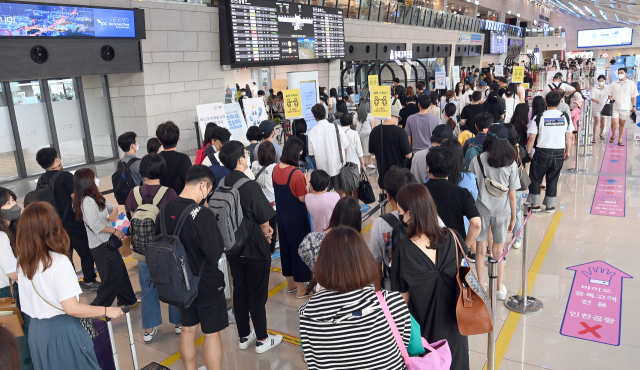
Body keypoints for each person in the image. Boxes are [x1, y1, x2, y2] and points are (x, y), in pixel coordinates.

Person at [16, 202, 124, 370]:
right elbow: (72, 308)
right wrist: (106, 310)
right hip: (62, 331)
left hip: (37, 332)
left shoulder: (23, 262)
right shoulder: (58, 262)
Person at [299, 227, 411, 370]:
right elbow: (403, 346)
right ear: (365, 259)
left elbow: (312, 360)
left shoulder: (308, 314)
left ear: (321, 264)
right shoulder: (393, 303)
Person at [390, 183, 470, 370]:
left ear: (410, 213)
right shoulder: (453, 237)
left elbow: (402, 303)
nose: (400, 216)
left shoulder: (403, 250)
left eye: (401, 212)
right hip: (457, 329)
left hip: (425, 339)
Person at [155, 165, 227, 369]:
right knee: (211, 334)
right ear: (204, 185)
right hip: (205, 283)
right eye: (209, 191)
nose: (207, 196)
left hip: (178, 284)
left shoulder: (164, 209)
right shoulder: (202, 214)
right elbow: (215, 253)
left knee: (188, 329)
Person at [218, 142, 282, 353]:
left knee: (240, 290)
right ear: (241, 160)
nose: (247, 155)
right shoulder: (249, 185)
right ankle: (262, 339)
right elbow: (264, 219)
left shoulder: (222, 183)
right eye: (245, 153)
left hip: (232, 248)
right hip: (254, 248)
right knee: (257, 294)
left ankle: (244, 336)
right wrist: (268, 232)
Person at [125, 154, 182, 342]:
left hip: (142, 251)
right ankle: (178, 323)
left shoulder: (134, 193)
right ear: (162, 170)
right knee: (173, 284)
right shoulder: (169, 193)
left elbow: (132, 216)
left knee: (147, 288)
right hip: (165, 249)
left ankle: (149, 330)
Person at [34, 148, 98, 292]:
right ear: (57, 159)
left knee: (65, 254)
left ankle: (70, 283)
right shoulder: (65, 176)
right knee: (86, 251)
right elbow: (76, 199)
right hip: (71, 222)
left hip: (53, 224)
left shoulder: (41, 180)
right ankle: (89, 280)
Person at [73, 168, 137, 308]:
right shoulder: (87, 201)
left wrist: (113, 213)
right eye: (94, 177)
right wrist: (115, 231)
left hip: (107, 242)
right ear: (87, 181)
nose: (96, 179)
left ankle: (128, 299)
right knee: (111, 277)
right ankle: (97, 307)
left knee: (119, 272)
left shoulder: (96, 197)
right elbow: (95, 225)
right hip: (101, 246)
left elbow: (112, 207)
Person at [469, 124, 519, 300]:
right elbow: (512, 195)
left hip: (480, 210)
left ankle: (482, 287)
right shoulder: (511, 162)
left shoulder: (477, 160)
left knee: (481, 250)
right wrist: (514, 217)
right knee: (498, 250)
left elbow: (472, 188)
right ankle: (498, 288)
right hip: (502, 211)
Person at [272, 137, 312, 297]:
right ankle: (301, 289)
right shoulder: (295, 174)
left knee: (286, 250)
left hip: (281, 216)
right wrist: (307, 181)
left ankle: (290, 285)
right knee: (299, 251)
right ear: (296, 153)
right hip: (296, 218)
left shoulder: (276, 168)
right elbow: (302, 198)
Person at [425, 146, 481, 248]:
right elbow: (476, 224)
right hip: (453, 248)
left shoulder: (418, 192)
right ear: (450, 170)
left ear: (428, 168)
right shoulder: (462, 193)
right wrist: (464, 247)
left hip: (425, 249)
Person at [527, 91, 573, 213]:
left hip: (542, 151)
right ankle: (550, 206)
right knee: (553, 178)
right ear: (559, 102)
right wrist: (567, 151)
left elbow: (532, 138)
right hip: (559, 152)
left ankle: (535, 204)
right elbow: (569, 136)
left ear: (546, 102)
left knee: (536, 177)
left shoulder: (539, 117)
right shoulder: (565, 117)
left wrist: (527, 153)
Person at [299, 196, 361, 272]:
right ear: (357, 221)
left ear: (335, 213)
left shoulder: (311, 240)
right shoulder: (358, 247)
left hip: (321, 281)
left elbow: (302, 252)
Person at [308, 104, 349, 196]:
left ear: (314, 117)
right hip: (338, 166)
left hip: (322, 170)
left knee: (323, 194)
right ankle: (341, 210)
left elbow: (311, 154)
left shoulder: (312, 132)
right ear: (325, 113)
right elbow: (345, 146)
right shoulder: (337, 128)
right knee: (341, 194)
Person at [369, 105, 412, 189]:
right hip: (400, 177)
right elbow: (409, 155)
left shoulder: (375, 131)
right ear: (396, 117)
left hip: (383, 176)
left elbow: (372, 152)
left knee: (384, 199)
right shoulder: (401, 132)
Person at [504, 123, 528, 249]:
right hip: (517, 185)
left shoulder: (503, 149)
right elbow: (525, 160)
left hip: (504, 185)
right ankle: (517, 238)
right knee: (517, 211)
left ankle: (500, 239)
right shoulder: (519, 148)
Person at [157, 121, 192, 195]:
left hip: (158, 202)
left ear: (159, 141)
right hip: (178, 202)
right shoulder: (183, 159)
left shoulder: (155, 159)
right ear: (178, 138)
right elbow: (190, 183)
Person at [608, 67, 638, 146]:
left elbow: (633, 96)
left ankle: (620, 139)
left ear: (626, 73)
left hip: (626, 107)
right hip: (615, 107)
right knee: (614, 123)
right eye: (619, 73)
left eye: (622, 72)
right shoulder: (613, 83)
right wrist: (610, 97)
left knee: (622, 123)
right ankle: (613, 134)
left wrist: (634, 106)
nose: (620, 74)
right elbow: (609, 93)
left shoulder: (631, 83)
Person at [339, 114, 365, 196]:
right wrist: (363, 163)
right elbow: (359, 150)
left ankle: (347, 205)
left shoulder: (337, 133)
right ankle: (356, 206)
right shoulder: (354, 133)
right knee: (355, 186)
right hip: (354, 164)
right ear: (351, 122)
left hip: (341, 164)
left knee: (345, 186)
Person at [251, 140, 277, 211]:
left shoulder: (254, 164)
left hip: (257, 205)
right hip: (272, 206)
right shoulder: (275, 167)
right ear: (273, 153)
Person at [355, 100, 374, 169]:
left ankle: (362, 163)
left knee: (360, 149)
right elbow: (372, 125)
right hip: (367, 134)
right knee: (368, 149)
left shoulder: (356, 114)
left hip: (358, 134)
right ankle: (369, 163)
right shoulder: (369, 115)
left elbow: (354, 124)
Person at [591, 74, 610, 142]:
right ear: (598, 81)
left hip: (604, 107)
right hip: (596, 107)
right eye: (600, 80)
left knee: (603, 123)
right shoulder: (594, 88)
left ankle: (601, 134)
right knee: (596, 122)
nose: (601, 82)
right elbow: (592, 97)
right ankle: (594, 137)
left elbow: (610, 95)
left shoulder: (608, 88)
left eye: (602, 80)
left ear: (604, 81)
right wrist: (595, 100)